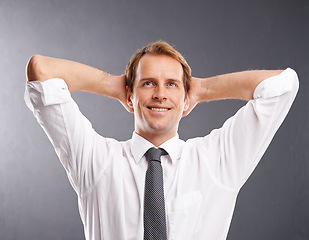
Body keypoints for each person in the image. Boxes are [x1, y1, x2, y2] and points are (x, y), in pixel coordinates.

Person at [25, 41, 299, 240]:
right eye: (148, 83)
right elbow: (41, 71)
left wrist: (200, 89)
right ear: (130, 96)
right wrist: (116, 86)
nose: (160, 94)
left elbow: (283, 86)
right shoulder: (97, 161)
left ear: (186, 99)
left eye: (171, 84)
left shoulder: (216, 160)